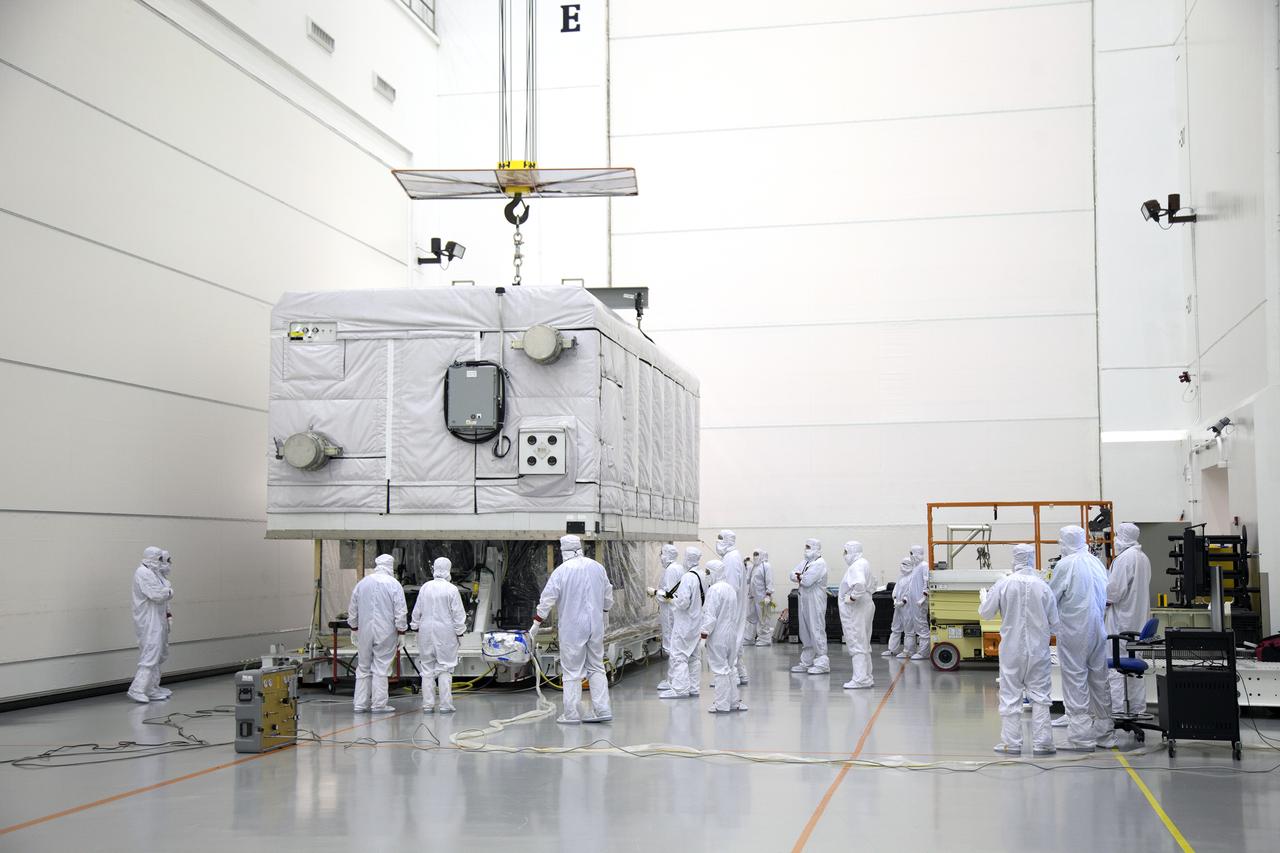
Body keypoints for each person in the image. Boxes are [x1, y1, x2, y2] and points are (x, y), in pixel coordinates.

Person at [978, 544, 1060, 755]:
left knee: (1010, 694)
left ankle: (1011, 743)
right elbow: (1055, 623)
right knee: (1041, 696)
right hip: (1038, 650)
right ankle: (1043, 743)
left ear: (1015, 559)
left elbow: (986, 613)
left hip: (1012, 649)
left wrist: (984, 598)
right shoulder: (1043, 586)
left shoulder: (1004, 584)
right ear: (1032, 559)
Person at [530, 535, 615, 724]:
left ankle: (571, 714)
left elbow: (547, 599)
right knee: (596, 666)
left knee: (572, 671)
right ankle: (602, 710)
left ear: (563, 550)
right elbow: (608, 594)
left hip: (573, 627)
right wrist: (605, 612)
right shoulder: (597, 567)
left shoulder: (561, 571)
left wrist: (536, 623)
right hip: (596, 624)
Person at [1048, 526, 1111, 749]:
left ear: (1066, 542)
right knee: (1099, 678)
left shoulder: (1066, 565)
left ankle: (1081, 736)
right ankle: (1105, 733)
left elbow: (1051, 597)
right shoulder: (1096, 562)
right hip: (1097, 628)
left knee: (1075, 679)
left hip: (1075, 630)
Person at [349, 554, 408, 713]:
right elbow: (401, 612)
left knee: (363, 667)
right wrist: (401, 631)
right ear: (391, 566)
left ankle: (359, 704)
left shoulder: (362, 583)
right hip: (386, 632)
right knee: (381, 668)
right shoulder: (394, 584)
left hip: (365, 631)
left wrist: (354, 628)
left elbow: (352, 608)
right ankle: (379, 705)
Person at [1106, 523, 1152, 718]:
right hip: (1138, 621)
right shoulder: (1143, 557)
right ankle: (1138, 710)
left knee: (1116, 666)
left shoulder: (1125, 559)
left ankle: (1116, 710)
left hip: (1122, 622)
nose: (1115, 539)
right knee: (1134, 668)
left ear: (1123, 536)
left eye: (1117, 535)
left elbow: (1114, 593)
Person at [411, 557, 466, 714]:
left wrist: (415, 627)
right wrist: (460, 632)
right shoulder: (451, 589)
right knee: (445, 668)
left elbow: (417, 611)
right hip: (446, 633)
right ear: (448, 569)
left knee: (427, 669)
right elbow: (458, 614)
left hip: (425, 632)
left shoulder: (425, 587)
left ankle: (428, 706)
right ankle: (445, 705)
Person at [656, 547, 705, 698]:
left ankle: (680, 689)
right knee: (694, 656)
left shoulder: (688, 577)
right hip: (696, 621)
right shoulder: (701, 574)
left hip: (685, 622)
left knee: (679, 655)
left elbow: (682, 602)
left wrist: (667, 597)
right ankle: (693, 688)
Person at [128, 546, 174, 703]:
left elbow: (163, 596)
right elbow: (158, 595)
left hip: (157, 619)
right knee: (150, 653)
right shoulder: (143, 573)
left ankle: (152, 687)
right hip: (148, 620)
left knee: (159, 653)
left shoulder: (155, 574)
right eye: (160, 559)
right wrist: (169, 591)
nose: (163, 562)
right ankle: (137, 688)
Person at [700, 559, 747, 713]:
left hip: (718, 635)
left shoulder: (714, 590)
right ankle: (733, 702)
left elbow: (710, 616)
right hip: (731, 635)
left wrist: (704, 634)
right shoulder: (730, 588)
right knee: (730, 668)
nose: (706, 575)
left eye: (707, 572)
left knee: (720, 670)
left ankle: (722, 704)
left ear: (714, 572)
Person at [791, 539, 831, 674]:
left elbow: (807, 581)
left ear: (816, 548)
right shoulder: (806, 562)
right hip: (804, 600)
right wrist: (801, 577)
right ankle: (806, 662)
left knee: (816, 629)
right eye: (805, 547)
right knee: (805, 631)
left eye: (809, 547)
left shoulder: (820, 564)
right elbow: (792, 574)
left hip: (815, 601)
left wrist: (801, 577)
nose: (806, 550)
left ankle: (822, 663)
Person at [838, 542, 875, 689]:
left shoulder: (856, 566)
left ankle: (860, 679)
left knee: (856, 641)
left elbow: (859, 584)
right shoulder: (863, 562)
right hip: (865, 604)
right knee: (864, 641)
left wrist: (852, 597)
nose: (844, 555)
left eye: (846, 551)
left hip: (856, 608)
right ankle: (866, 676)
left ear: (853, 551)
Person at [716, 530, 750, 684]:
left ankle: (732, 675)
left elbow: (730, 588)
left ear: (729, 541)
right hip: (735, 605)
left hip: (731, 608)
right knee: (736, 637)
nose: (718, 542)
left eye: (720, 539)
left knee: (730, 639)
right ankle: (739, 673)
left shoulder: (730, 559)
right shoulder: (733, 556)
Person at [653, 544, 682, 692]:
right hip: (674, 612)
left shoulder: (671, 570)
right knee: (675, 645)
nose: (661, 557)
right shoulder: (677, 567)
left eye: (662, 554)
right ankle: (676, 679)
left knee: (671, 645)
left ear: (668, 555)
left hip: (670, 612)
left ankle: (673, 680)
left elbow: (669, 595)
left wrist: (655, 592)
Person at [901, 545, 931, 660]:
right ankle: (919, 650)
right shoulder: (916, 567)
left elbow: (926, 582)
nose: (911, 556)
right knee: (917, 625)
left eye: (912, 553)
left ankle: (924, 652)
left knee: (922, 625)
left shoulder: (924, 566)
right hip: (914, 602)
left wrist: (923, 597)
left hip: (920, 602)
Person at [883, 556, 914, 657]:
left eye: (905, 564)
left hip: (908, 607)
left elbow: (911, 592)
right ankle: (892, 649)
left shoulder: (913, 578)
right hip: (898, 607)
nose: (902, 566)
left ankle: (908, 651)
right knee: (895, 628)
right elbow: (896, 590)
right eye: (902, 563)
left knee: (909, 630)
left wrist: (904, 601)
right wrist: (895, 599)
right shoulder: (901, 577)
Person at [746, 549, 776, 645]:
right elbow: (747, 579)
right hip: (752, 597)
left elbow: (769, 580)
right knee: (751, 617)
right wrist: (744, 564)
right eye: (754, 554)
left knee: (763, 618)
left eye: (757, 554)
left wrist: (768, 594)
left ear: (762, 555)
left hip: (763, 597)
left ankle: (765, 639)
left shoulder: (766, 566)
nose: (755, 557)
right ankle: (748, 638)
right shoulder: (753, 567)